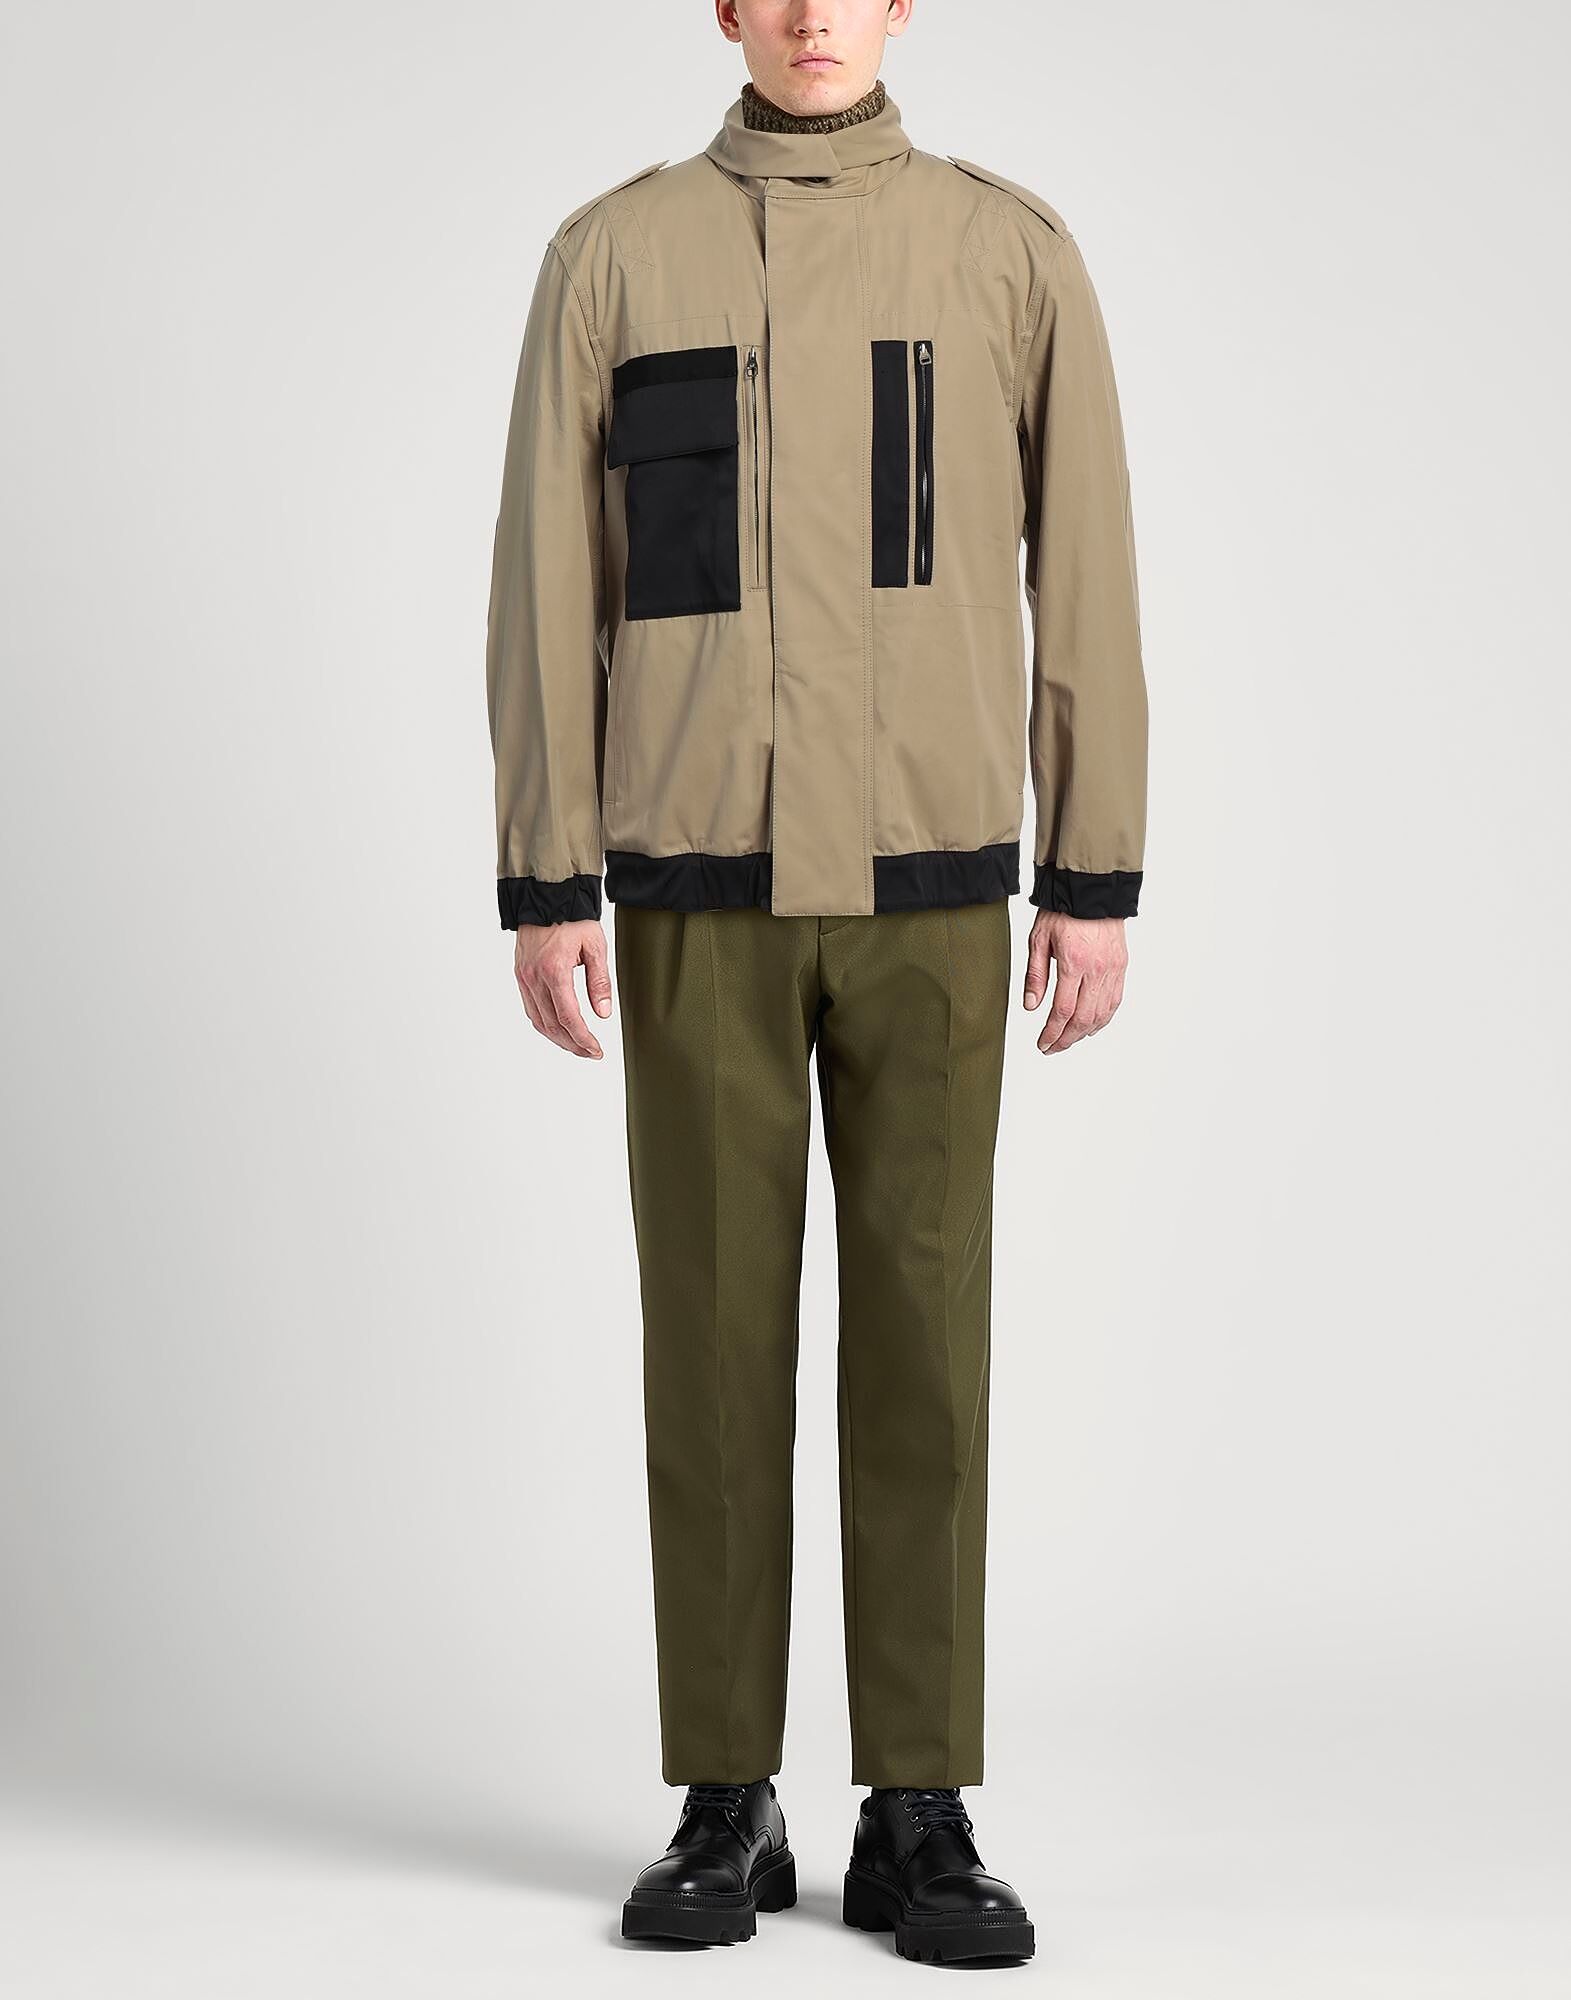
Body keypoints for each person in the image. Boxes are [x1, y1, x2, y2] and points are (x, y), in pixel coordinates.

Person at [485, 0, 1147, 1966]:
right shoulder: (615, 258)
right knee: (709, 1344)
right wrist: (547, 868)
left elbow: (1086, 571)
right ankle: (725, 1795)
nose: (809, 15)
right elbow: (548, 577)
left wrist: (1093, 866)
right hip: (696, 882)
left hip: (935, 888)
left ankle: (920, 1804)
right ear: (723, 5)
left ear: (901, 2)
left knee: (927, 1343)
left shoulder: (1007, 252)